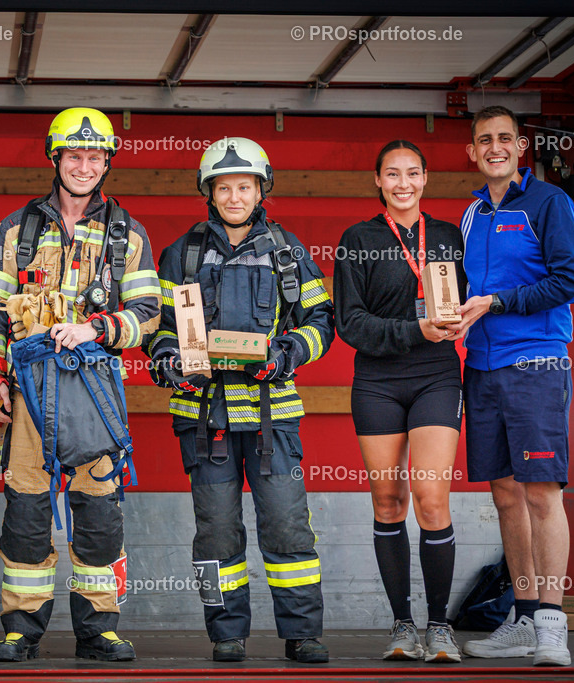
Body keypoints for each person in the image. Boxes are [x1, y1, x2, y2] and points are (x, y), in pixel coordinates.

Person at [0, 107, 160, 662]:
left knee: (99, 512)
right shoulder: (18, 228)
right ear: (55, 158)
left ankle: (98, 628)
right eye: (74, 155)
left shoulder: (128, 233)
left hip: (95, 392)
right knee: (27, 511)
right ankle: (20, 628)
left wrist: (97, 327)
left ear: (107, 162)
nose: (84, 165)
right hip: (29, 388)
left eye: (95, 156)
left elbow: (148, 313)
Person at [145, 137, 334, 663]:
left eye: (244, 186)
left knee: (288, 524)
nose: (234, 196)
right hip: (205, 418)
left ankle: (302, 633)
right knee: (216, 531)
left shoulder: (289, 252)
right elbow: (158, 328)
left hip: (274, 421)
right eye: (223, 187)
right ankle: (225, 634)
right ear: (209, 191)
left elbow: (322, 322)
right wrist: (166, 361)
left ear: (261, 188)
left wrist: (288, 353)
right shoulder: (180, 254)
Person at [444, 106, 574, 667]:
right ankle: (523, 616)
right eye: (485, 140)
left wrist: (498, 302)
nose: (495, 147)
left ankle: (552, 623)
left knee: (540, 492)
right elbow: (463, 287)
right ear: (473, 153)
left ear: (521, 147)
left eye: (505, 138)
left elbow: (570, 281)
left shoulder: (549, 203)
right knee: (504, 493)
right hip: (480, 365)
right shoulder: (471, 213)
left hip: (536, 364)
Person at [333, 140, 466, 662]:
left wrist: (455, 322)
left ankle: (440, 626)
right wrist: (417, 328)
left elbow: (465, 304)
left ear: (426, 179)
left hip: (436, 376)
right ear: (378, 181)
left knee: (432, 500)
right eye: (393, 174)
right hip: (378, 383)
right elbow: (351, 324)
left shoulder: (449, 236)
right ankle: (402, 626)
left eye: (413, 173)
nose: (403, 183)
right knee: (389, 502)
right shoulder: (358, 239)